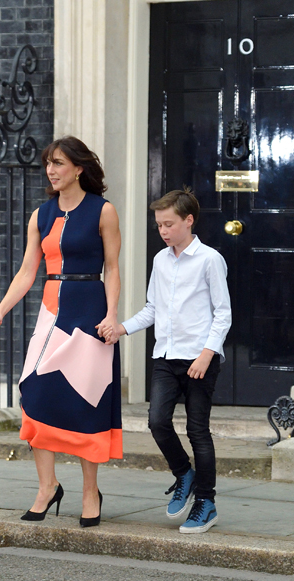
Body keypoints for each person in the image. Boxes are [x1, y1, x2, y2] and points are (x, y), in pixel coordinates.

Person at [0, 136, 122, 527]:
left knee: (88, 400)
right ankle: (48, 487)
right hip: (51, 314)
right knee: (35, 393)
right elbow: (28, 271)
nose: (51, 170)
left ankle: (90, 492)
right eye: (49, 163)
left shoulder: (103, 211)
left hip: (90, 313)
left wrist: (112, 315)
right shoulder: (41, 214)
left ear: (79, 168)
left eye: (59, 163)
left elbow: (111, 268)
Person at [106, 188, 231, 534]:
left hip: (199, 358)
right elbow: (153, 309)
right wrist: (122, 329)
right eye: (159, 224)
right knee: (157, 421)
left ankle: (206, 503)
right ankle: (184, 474)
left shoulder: (209, 259)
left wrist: (207, 354)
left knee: (197, 431)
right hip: (165, 355)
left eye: (168, 224)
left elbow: (223, 314)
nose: (162, 231)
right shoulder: (161, 260)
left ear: (188, 221)